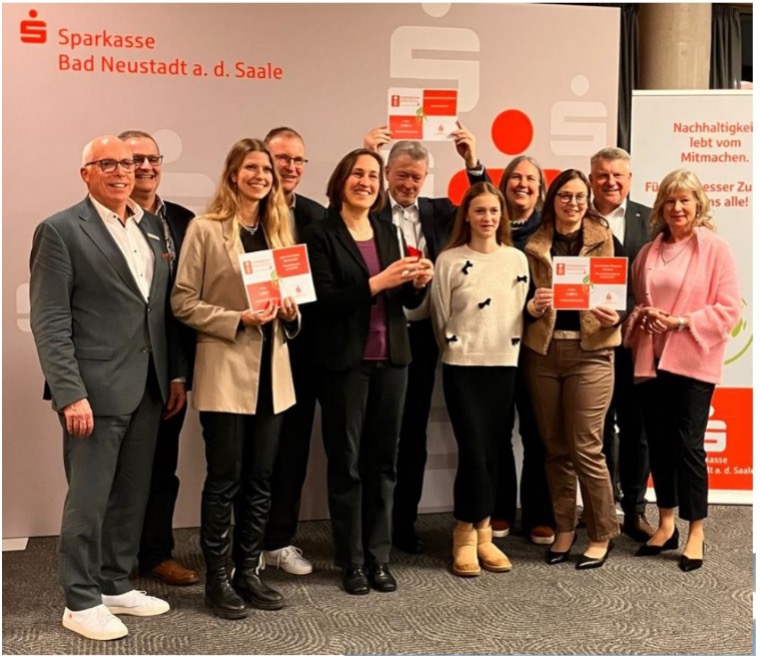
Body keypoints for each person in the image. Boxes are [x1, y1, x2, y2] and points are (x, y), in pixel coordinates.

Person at [29, 135, 186, 640]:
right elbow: (50, 321)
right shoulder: (60, 230)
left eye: (128, 163)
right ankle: (80, 600)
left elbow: (156, 311)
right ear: (86, 173)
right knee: (89, 500)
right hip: (93, 392)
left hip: (148, 386)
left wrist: (173, 374)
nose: (122, 171)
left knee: (131, 495)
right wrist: (69, 392)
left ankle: (115, 583)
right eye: (108, 163)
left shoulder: (151, 227)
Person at [171, 138, 299, 619]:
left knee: (261, 479)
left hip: (273, 374)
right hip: (225, 368)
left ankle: (249, 572)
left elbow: (292, 305)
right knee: (225, 479)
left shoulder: (279, 231)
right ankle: (218, 580)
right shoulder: (205, 229)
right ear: (232, 174)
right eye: (251, 168)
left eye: (266, 169)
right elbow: (182, 301)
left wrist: (291, 313)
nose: (260, 176)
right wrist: (236, 318)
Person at [304, 148, 434, 594]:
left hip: (391, 360)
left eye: (373, 176)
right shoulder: (319, 234)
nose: (366, 182)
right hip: (345, 364)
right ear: (341, 180)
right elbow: (322, 302)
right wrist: (378, 282)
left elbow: (405, 301)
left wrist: (418, 284)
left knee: (384, 463)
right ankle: (351, 560)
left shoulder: (388, 230)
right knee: (347, 463)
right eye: (358, 174)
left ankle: (379, 556)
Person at [363, 123, 487, 554]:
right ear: (387, 173)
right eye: (401, 174)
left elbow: (486, 206)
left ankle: (403, 523)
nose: (408, 184)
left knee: (412, 434)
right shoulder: (371, 208)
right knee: (375, 433)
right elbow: (342, 208)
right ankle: (369, 524)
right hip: (377, 331)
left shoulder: (438, 211)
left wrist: (472, 163)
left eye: (416, 176)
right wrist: (368, 155)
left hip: (421, 336)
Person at [624, 169, 741, 572]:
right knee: (658, 442)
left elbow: (729, 309)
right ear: (661, 207)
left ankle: (695, 532)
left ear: (698, 204)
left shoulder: (715, 249)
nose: (677, 208)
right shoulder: (648, 252)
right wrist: (645, 316)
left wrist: (680, 322)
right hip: (651, 361)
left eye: (685, 200)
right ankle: (666, 523)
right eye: (670, 201)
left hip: (693, 362)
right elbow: (640, 304)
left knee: (688, 446)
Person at [522, 169, 629, 570]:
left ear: (588, 201)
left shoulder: (605, 239)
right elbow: (519, 297)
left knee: (586, 447)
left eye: (580, 196)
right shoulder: (533, 244)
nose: (573, 203)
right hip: (544, 352)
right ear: (552, 199)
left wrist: (616, 316)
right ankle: (564, 528)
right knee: (555, 449)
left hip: (592, 354)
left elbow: (626, 295)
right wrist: (531, 307)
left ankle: (601, 534)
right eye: (565, 195)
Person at [430, 182, 529, 576]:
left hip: (504, 365)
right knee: (473, 450)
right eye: (479, 211)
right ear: (467, 216)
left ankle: (484, 533)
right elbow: (440, 317)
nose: (487, 218)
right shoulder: (449, 261)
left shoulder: (517, 260)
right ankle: (464, 534)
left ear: (502, 216)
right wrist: (458, 348)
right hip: (462, 366)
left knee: (492, 451)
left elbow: (519, 310)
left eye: (493, 211)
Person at [118, 129, 199, 587]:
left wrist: (180, 374)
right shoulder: (99, 221)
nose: (145, 167)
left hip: (167, 367)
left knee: (161, 467)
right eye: (135, 159)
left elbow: (185, 305)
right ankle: (109, 561)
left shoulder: (184, 222)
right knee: (111, 471)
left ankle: (155, 554)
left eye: (152, 158)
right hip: (114, 369)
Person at [261, 127, 326, 576]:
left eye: (298, 160)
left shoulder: (317, 216)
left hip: (302, 351)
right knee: (250, 454)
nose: (290, 167)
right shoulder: (240, 213)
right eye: (281, 158)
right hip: (247, 349)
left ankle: (279, 540)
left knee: (292, 450)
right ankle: (246, 544)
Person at [489, 156, 555, 546]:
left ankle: (539, 514)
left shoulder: (549, 229)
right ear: (504, 184)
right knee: (497, 430)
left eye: (531, 178)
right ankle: (499, 509)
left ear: (540, 188)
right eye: (515, 177)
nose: (522, 184)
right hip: (494, 341)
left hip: (536, 344)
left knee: (537, 431)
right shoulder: (488, 224)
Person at [589, 147, 654, 542]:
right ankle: (598, 510)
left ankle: (634, 510)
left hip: (635, 341)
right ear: (591, 179)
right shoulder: (575, 216)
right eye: (602, 175)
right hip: (590, 342)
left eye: (618, 175)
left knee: (636, 428)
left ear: (630, 180)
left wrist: (625, 312)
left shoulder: (652, 219)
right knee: (593, 430)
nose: (610, 182)